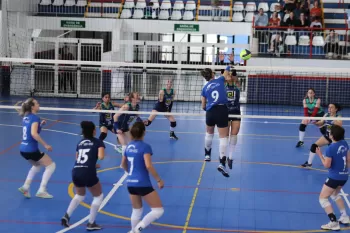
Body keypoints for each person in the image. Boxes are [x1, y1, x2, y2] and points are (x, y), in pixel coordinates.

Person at [121, 122, 164, 233]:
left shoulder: (128, 146)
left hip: (130, 183)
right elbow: (148, 165)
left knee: (137, 210)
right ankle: (137, 229)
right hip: (142, 183)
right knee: (158, 211)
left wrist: (131, 174)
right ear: (144, 132)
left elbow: (123, 164)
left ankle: (132, 231)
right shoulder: (145, 147)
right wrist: (158, 180)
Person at [61, 121, 105, 231]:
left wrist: (92, 163)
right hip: (88, 172)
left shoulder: (80, 143)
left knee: (80, 195)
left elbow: (77, 158)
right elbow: (101, 156)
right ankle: (91, 223)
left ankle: (66, 216)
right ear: (94, 131)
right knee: (98, 196)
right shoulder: (98, 142)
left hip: (76, 171)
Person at [18, 98, 56, 199]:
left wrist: (40, 125)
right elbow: (34, 134)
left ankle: (25, 187)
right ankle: (42, 190)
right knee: (51, 165)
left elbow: (32, 131)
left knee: (37, 166)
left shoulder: (25, 117)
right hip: (31, 149)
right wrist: (45, 145)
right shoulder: (35, 118)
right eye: (37, 103)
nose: (39, 105)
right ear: (32, 107)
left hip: (23, 149)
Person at [316, 124, 350, 230]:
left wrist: (320, 155)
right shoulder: (345, 143)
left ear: (332, 136)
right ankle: (344, 217)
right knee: (335, 194)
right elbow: (348, 160)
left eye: (330, 132)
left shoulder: (330, 148)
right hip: (344, 176)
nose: (328, 133)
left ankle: (333, 222)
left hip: (334, 178)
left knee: (323, 198)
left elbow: (327, 165)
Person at [201, 65, 231, 177]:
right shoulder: (220, 80)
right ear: (213, 74)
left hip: (210, 112)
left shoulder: (204, 88)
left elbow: (203, 105)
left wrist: (208, 108)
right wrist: (228, 65)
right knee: (223, 137)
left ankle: (207, 155)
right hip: (222, 110)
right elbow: (226, 72)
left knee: (209, 133)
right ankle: (222, 164)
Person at [301, 103, 342, 167]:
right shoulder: (326, 115)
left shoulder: (338, 117)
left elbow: (340, 125)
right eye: (329, 107)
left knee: (336, 155)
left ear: (336, 109)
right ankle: (309, 163)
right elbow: (320, 123)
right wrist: (314, 122)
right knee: (314, 146)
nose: (329, 109)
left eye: (331, 107)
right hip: (327, 136)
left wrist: (333, 120)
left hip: (335, 138)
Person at [113, 92, 143, 156]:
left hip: (126, 128)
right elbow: (115, 116)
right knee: (124, 146)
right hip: (119, 127)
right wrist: (117, 128)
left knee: (131, 144)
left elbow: (138, 117)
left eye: (138, 95)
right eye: (137, 95)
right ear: (132, 99)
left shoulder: (137, 107)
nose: (138, 96)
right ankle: (123, 163)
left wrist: (142, 122)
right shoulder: (126, 106)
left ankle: (119, 147)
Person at [225, 69, 241, 169]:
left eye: (232, 74)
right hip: (225, 112)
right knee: (225, 136)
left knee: (234, 135)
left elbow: (237, 80)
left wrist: (234, 76)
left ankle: (230, 158)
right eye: (229, 74)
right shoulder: (223, 86)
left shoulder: (237, 86)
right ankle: (222, 155)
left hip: (236, 112)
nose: (230, 75)